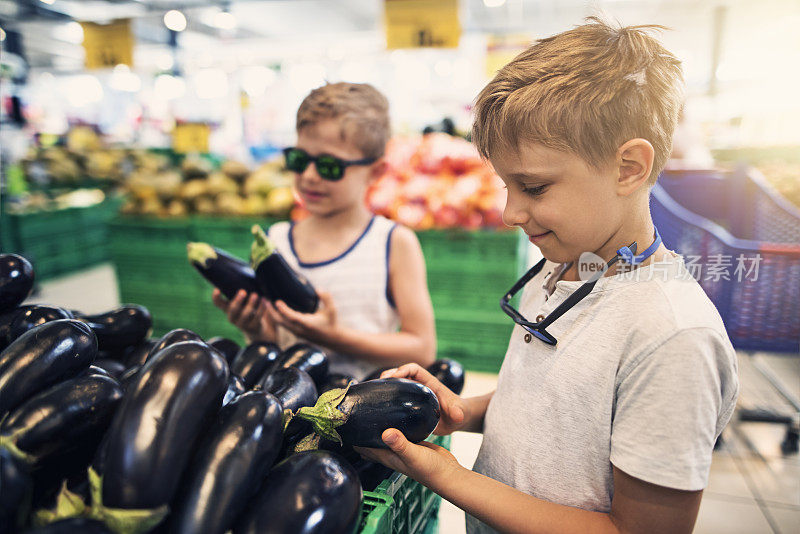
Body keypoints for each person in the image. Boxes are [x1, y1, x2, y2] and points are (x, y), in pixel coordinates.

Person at [358, 18, 739, 534]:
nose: (510, 212)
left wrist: (449, 476)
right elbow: (559, 400)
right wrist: (463, 413)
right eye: (505, 186)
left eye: (533, 188)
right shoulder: (565, 268)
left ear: (628, 167)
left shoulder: (672, 339)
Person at [212, 82, 436, 379]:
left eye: (330, 166)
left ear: (376, 172)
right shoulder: (275, 240)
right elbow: (275, 343)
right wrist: (254, 329)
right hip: (289, 409)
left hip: (365, 409)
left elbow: (422, 348)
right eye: (299, 160)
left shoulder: (393, 243)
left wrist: (333, 335)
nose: (309, 176)